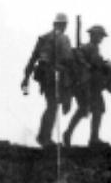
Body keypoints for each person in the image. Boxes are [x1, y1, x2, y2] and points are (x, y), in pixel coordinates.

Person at [63, 24, 111, 147]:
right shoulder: (91, 48)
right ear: (94, 36)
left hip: (87, 86)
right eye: (100, 36)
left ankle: (71, 134)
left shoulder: (89, 48)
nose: (101, 38)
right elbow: (96, 66)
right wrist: (108, 66)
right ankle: (92, 138)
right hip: (88, 86)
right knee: (96, 109)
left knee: (85, 110)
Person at [22, 14, 75, 147]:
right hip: (56, 77)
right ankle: (44, 137)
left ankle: (44, 137)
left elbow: (33, 59)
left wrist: (26, 78)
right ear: (64, 25)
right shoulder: (63, 38)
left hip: (45, 77)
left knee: (51, 106)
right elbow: (68, 60)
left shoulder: (44, 38)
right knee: (52, 106)